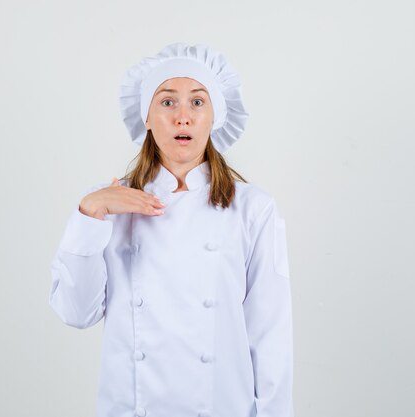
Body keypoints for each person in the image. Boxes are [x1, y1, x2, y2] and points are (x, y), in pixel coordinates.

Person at [48, 42, 294, 417]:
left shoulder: (253, 208)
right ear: (145, 116)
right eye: (167, 102)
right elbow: (76, 312)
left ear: (215, 116)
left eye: (197, 102)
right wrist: (91, 212)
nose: (183, 117)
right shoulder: (106, 204)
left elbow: (270, 334)